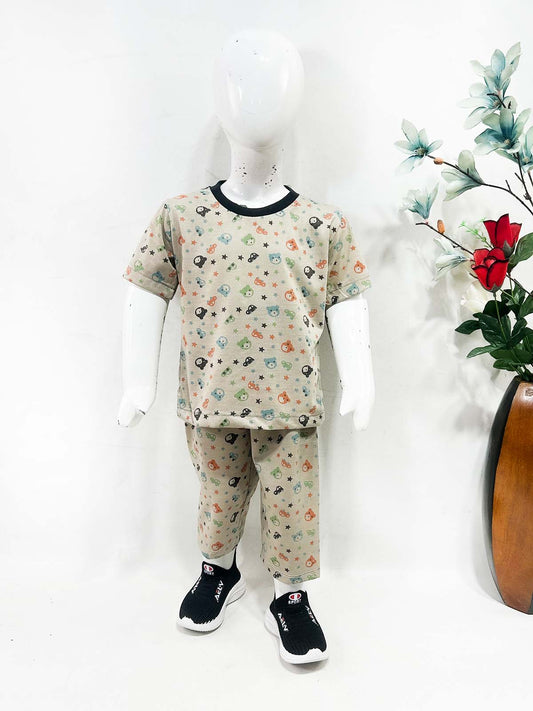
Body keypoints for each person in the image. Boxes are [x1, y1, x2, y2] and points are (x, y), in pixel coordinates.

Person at [118, 28, 374, 666]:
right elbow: (146, 290)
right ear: (219, 98)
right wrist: (137, 383)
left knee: (293, 501)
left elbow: (347, 299)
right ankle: (219, 570)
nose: (257, 99)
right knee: (219, 490)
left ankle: (290, 596)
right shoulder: (181, 218)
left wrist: (362, 377)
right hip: (212, 397)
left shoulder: (322, 224)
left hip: (290, 401)